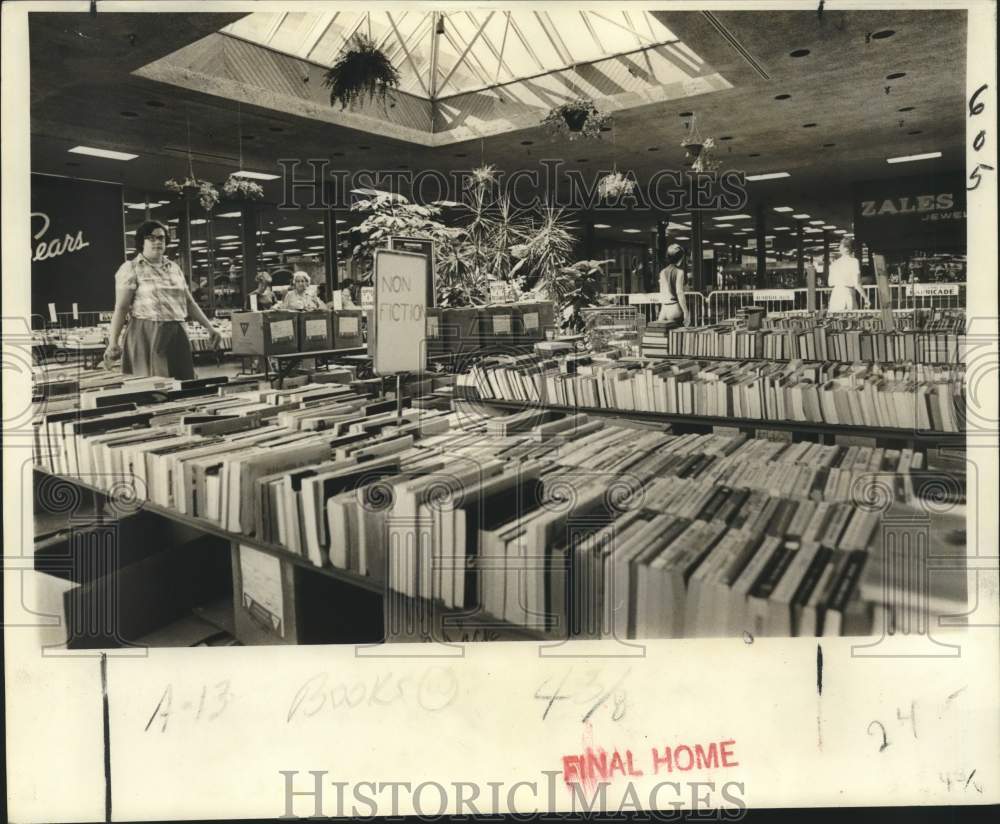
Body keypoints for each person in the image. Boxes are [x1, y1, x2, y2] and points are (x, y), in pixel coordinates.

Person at [104, 220, 220, 379]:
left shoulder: (174, 268)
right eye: (151, 238)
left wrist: (210, 327)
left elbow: (189, 302)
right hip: (146, 332)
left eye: (162, 238)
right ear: (141, 242)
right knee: (155, 387)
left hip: (177, 331)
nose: (157, 242)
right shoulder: (131, 268)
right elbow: (121, 308)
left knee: (182, 384)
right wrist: (113, 342)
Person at [827, 238, 870, 312]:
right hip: (847, 294)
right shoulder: (854, 262)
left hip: (836, 294)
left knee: (835, 321)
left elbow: (830, 283)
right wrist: (866, 298)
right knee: (850, 320)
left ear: (844, 249)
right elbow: (857, 284)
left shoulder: (834, 264)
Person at [657, 243, 690, 326]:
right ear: (679, 258)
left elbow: (662, 292)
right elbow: (679, 292)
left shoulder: (662, 272)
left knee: (663, 336)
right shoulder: (679, 272)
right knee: (676, 337)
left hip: (664, 309)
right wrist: (686, 312)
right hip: (674, 308)